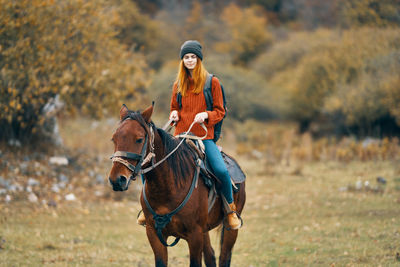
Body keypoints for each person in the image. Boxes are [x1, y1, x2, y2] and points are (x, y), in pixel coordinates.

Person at [140, 40, 241, 230]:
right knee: (149, 164)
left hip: (203, 138)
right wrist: (174, 114)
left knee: (220, 170)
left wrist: (207, 115)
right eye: (186, 57)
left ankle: (230, 210)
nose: (190, 60)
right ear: (182, 60)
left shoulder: (213, 82)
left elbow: (221, 111)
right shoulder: (178, 84)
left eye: (193, 57)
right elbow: (174, 108)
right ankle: (147, 210)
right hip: (179, 137)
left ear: (199, 59)